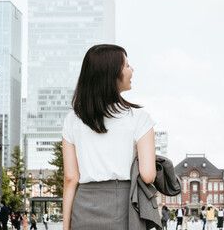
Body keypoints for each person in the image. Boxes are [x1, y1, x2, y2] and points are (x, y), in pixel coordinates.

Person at [62, 44, 156, 230]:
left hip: (83, 207)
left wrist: (66, 227)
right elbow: (148, 175)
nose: (132, 70)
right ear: (112, 74)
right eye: (127, 65)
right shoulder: (139, 118)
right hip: (122, 207)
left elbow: (70, 178)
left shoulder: (72, 120)